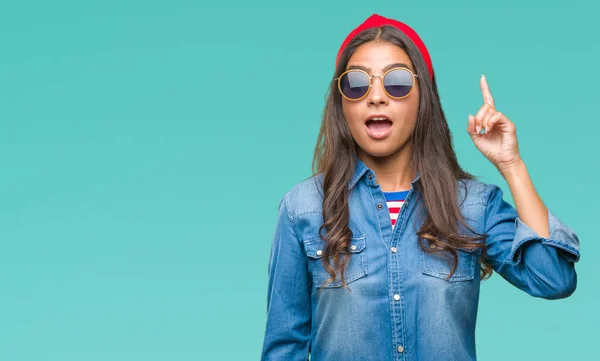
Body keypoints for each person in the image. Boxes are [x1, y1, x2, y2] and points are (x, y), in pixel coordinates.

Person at [260, 13, 580, 361]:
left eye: (396, 82)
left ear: (423, 98)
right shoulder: (302, 208)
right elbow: (284, 348)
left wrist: (511, 166)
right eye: (357, 83)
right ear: (342, 103)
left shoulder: (472, 205)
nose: (377, 97)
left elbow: (553, 278)